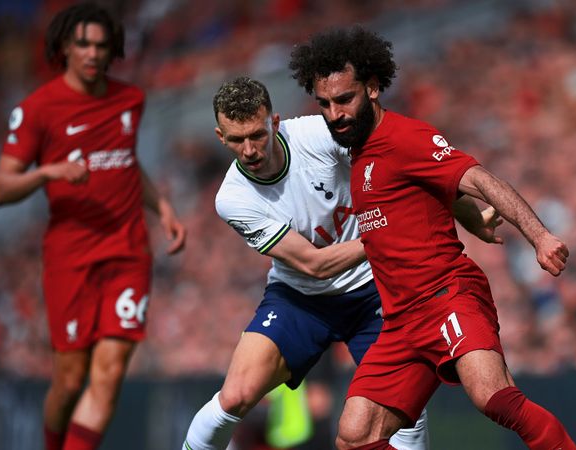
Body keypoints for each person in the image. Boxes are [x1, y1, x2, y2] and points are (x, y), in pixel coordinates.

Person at [289, 26, 576, 450]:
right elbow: (434, 190)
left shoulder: (405, 138)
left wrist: (539, 236)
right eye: (326, 104)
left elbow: (476, 177)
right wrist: (472, 219)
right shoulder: (356, 148)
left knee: (493, 398)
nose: (335, 114)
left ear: (372, 88)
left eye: (344, 99)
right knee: (354, 437)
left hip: (447, 296)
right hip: (400, 321)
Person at [181, 76, 503, 450]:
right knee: (235, 395)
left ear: (275, 122)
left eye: (257, 134)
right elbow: (315, 265)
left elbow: (411, 169)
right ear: (221, 137)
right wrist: (390, 230)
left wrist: (471, 218)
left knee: (403, 414)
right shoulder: (233, 198)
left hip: (375, 291)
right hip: (301, 298)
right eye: (237, 140)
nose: (250, 149)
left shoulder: (320, 136)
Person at [0, 4, 186, 450]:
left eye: (100, 45)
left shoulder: (130, 100)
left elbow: (125, 164)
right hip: (70, 257)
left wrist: (164, 207)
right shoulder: (37, 109)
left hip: (128, 251)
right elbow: (0, 189)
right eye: (83, 44)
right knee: (70, 378)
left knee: (111, 370)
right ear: (63, 47)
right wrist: (49, 172)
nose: (93, 54)